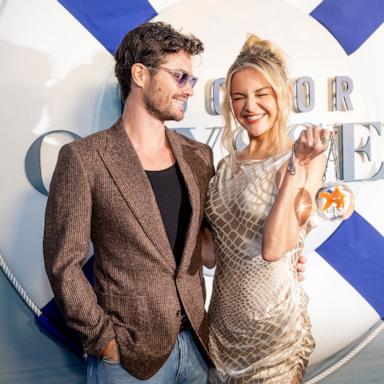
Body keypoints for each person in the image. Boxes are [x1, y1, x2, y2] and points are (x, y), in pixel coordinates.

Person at [43, 22, 215, 384]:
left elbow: (210, 248)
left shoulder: (199, 156)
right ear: (140, 74)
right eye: (180, 77)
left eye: (191, 80)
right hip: (128, 361)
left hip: (199, 349)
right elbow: (63, 262)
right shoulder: (84, 158)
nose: (188, 90)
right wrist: (104, 341)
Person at [203, 35, 330, 383]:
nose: (250, 107)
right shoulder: (226, 166)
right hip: (220, 335)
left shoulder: (307, 157)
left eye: (261, 95)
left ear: (282, 96)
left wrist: (294, 164)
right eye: (239, 97)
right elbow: (210, 255)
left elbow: (275, 248)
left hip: (274, 337)